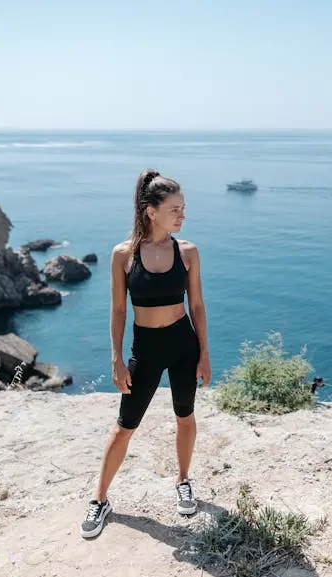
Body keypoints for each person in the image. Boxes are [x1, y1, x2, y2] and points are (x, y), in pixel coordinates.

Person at [80, 168, 212, 539]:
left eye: (183, 208)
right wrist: (117, 358)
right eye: (175, 209)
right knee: (124, 427)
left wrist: (204, 352)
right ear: (151, 210)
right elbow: (118, 309)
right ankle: (100, 499)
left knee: (185, 415)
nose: (182, 215)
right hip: (146, 349)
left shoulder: (188, 252)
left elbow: (198, 306)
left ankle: (183, 480)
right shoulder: (123, 255)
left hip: (183, 344)